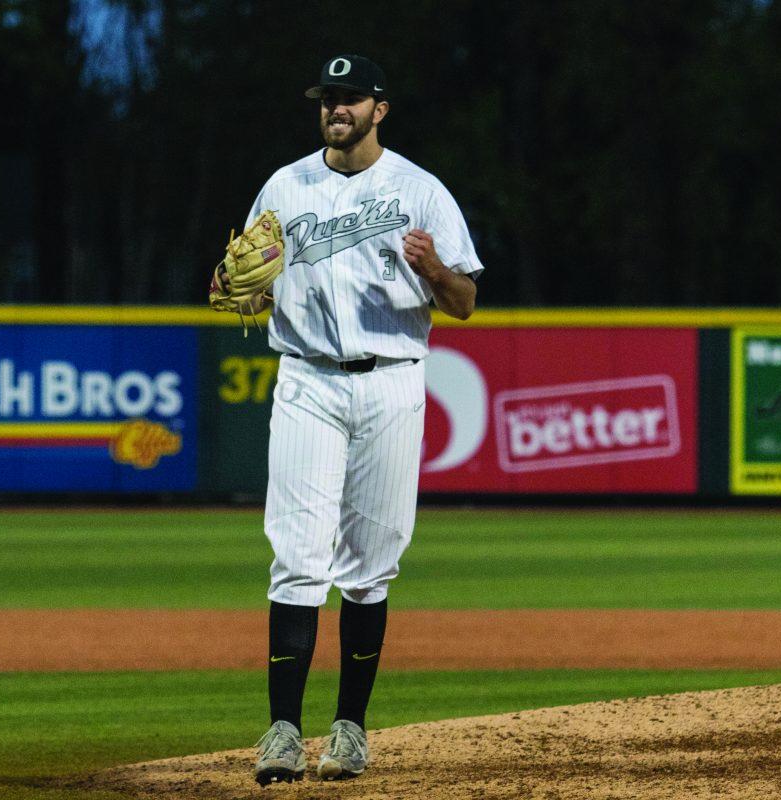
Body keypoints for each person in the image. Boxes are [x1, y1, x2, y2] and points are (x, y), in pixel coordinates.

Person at [227, 54, 484, 785]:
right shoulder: (285, 185)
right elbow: (252, 289)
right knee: (299, 559)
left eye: (350, 99)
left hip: (393, 383)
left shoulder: (419, 191)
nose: (336, 109)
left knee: (372, 567)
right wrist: (236, 289)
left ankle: (350, 731)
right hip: (307, 381)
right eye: (327, 100)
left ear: (380, 109)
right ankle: (280, 732)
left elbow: (463, 301)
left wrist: (434, 269)